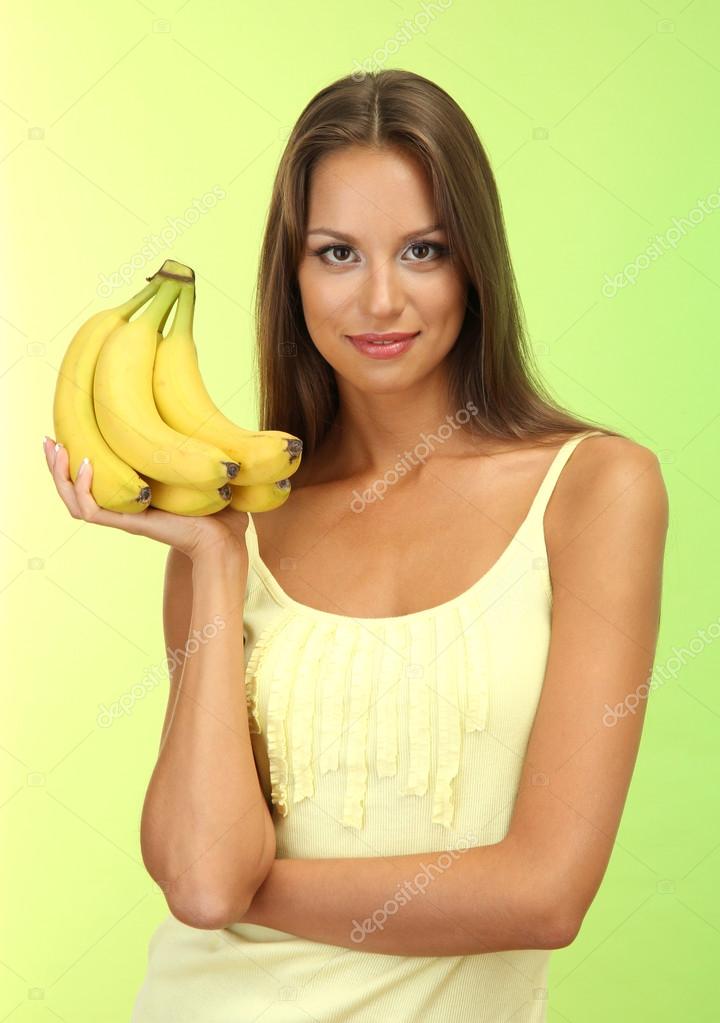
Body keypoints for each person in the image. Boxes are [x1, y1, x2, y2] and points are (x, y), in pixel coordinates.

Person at [44, 69, 668, 1022]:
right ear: (292, 278)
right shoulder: (230, 520)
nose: (380, 299)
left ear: (476, 265)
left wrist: (254, 889)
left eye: (423, 249)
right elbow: (202, 888)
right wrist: (213, 563)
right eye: (337, 253)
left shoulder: (594, 491)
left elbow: (546, 892)